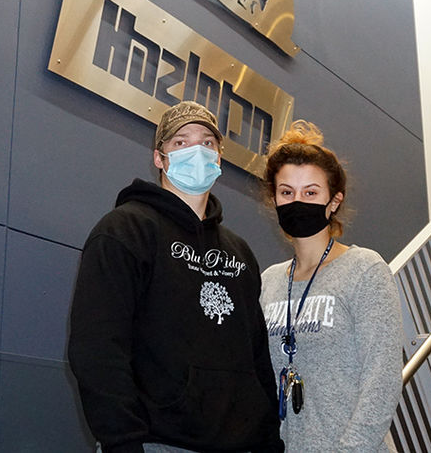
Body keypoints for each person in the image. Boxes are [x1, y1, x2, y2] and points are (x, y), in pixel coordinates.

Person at [68, 101, 284, 453]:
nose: (196, 151)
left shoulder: (240, 254)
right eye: (181, 142)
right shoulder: (124, 231)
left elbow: (257, 359)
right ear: (159, 158)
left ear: (219, 158)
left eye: (207, 143)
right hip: (158, 444)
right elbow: (97, 348)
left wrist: (268, 441)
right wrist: (122, 442)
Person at [259, 120, 403, 452]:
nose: (298, 201)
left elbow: (381, 381)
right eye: (286, 192)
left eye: (311, 192)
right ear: (275, 200)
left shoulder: (364, 269)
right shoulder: (268, 282)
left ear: (334, 201)